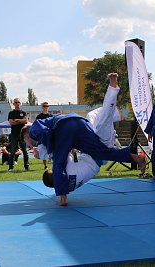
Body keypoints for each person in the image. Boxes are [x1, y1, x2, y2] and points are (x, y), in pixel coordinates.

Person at [22, 73, 146, 205]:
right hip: (79, 126)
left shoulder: (34, 130)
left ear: (27, 135)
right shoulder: (38, 130)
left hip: (66, 131)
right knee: (98, 120)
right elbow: (54, 152)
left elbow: (50, 145)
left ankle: (63, 198)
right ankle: (113, 90)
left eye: (27, 142)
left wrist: (43, 151)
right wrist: (43, 150)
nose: (30, 145)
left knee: (102, 123)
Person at [41, 73, 125, 205]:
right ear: (53, 175)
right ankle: (113, 85)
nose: (52, 168)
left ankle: (117, 115)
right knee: (104, 119)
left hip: (90, 148)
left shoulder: (66, 185)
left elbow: (67, 152)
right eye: (51, 170)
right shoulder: (61, 172)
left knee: (91, 116)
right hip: (99, 151)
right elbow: (64, 152)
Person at [8, 98, 29, 172]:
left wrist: (17, 120)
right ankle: (11, 167)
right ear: (13, 104)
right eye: (16, 102)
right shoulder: (11, 113)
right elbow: (11, 122)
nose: (17, 103)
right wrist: (21, 121)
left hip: (23, 135)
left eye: (19, 102)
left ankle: (26, 167)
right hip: (14, 134)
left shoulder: (23, 112)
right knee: (13, 151)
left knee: (25, 152)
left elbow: (26, 121)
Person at [36, 102, 53, 170]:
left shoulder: (51, 116)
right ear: (42, 107)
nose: (46, 107)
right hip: (42, 136)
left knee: (52, 150)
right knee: (43, 150)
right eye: (44, 106)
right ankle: (45, 166)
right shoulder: (39, 117)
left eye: (47, 106)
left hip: (50, 135)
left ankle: (52, 162)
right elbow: (37, 126)